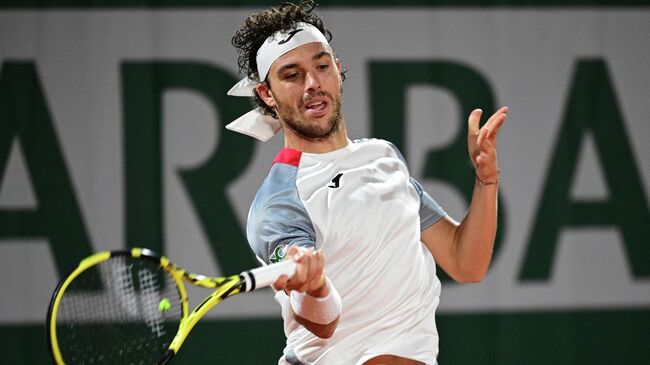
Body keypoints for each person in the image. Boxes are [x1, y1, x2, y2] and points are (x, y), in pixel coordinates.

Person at [226, 1, 508, 364]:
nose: (312, 84)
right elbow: (322, 323)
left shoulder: (383, 157)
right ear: (267, 94)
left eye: (322, 67)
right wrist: (314, 286)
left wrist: (486, 180)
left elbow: (465, 262)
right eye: (292, 75)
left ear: (338, 71)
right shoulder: (278, 204)